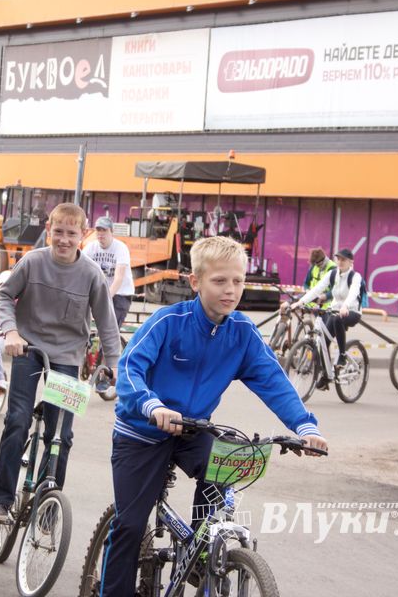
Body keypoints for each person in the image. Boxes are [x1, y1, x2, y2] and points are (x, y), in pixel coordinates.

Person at [99, 236, 327, 596]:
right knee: (129, 525)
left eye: (238, 281)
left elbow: (274, 382)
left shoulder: (242, 333)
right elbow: (129, 370)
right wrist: (153, 406)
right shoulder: (167, 322)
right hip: (142, 431)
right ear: (196, 282)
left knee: (230, 461)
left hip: (193, 430)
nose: (230, 290)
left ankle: (202, 556)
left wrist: (304, 426)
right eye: (219, 281)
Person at [0, 203, 121, 522]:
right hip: (28, 350)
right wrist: (12, 332)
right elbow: (3, 297)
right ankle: (1, 499)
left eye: (71, 234)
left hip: (69, 357)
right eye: (58, 232)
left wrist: (115, 363)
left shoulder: (91, 274)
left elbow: (106, 321)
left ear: (82, 236)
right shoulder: (32, 262)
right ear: (49, 230)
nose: (63, 239)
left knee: (61, 434)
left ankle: (48, 503)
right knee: (17, 420)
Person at [288, 248, 363, 391]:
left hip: (351, 311)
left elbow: (353, 293)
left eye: (343, 260)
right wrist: (300, 302)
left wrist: (346, 306)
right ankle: (326, 376)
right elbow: (316, 289)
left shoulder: (355, 276)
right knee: (323, 343)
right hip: (335, 310)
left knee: (337, 320)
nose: (340, 262)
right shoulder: (333, 274)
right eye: (338, 259)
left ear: (350, 262)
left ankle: (341, 355)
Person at [82, 215, 135, 329]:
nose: (101, 233)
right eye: (98, 230)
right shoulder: (91, 247)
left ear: (112, 231)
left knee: (110, 328)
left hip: (120, 293)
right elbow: (81, 270)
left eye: (104, 230)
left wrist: (104, 298)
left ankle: (109, 345)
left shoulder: (120, 248)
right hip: (100, 291)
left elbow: (118, 278)